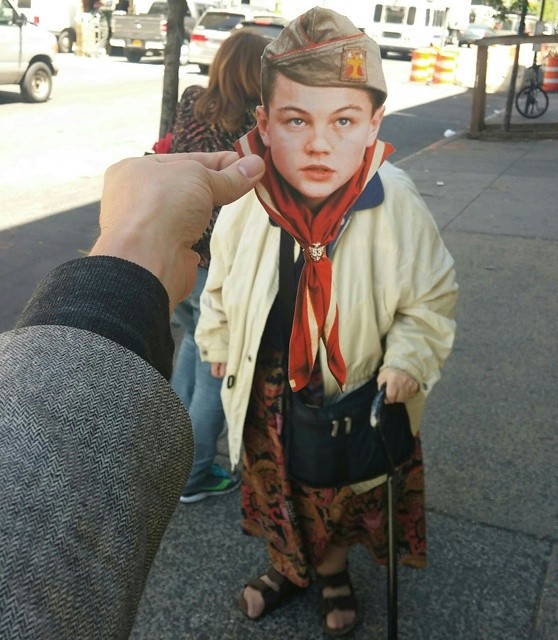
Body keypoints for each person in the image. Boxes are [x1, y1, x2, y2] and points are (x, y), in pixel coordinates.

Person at [195, 8, 458, 636]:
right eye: (296, 120)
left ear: (373, 124)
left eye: (343, 121)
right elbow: (221, 278)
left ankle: (333, 571)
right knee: (272, 481)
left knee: (335, 492)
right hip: (266, 378)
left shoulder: (394, 201)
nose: (319, 144)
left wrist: (409, 358)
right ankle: (287, 567)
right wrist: (218, 336)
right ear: (265, 123)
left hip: (350, 383)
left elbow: (430, 296)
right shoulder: (250, 194)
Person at [0, 151, 265, 639]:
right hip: (194, 273)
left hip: (178, 271)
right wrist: (136, 245)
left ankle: (190, 464)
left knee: (193, 353)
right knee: (203, 364)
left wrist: (131, 240)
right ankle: (197, 471)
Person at [167, 29, 271, 503]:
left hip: (181, 247)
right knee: (217, 363)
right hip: (222, 261)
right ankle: (194, 473)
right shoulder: (255, 124)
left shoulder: (192, 100)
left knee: (193, 343)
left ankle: (169, 456)